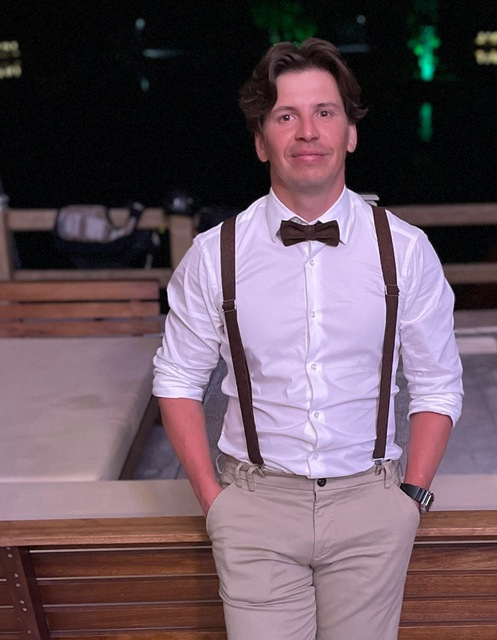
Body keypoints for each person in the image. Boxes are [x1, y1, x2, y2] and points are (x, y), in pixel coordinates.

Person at [153, 37, 463, 640]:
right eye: (285, 116)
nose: (308, 132)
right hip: (254, 507)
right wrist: (215, 500)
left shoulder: (404, 250)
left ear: (350, 132)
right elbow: (177, 379)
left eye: (325, 112)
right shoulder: (215, 255)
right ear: (261, 140)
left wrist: (411, 499)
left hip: (372, 506)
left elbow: (436, 384)